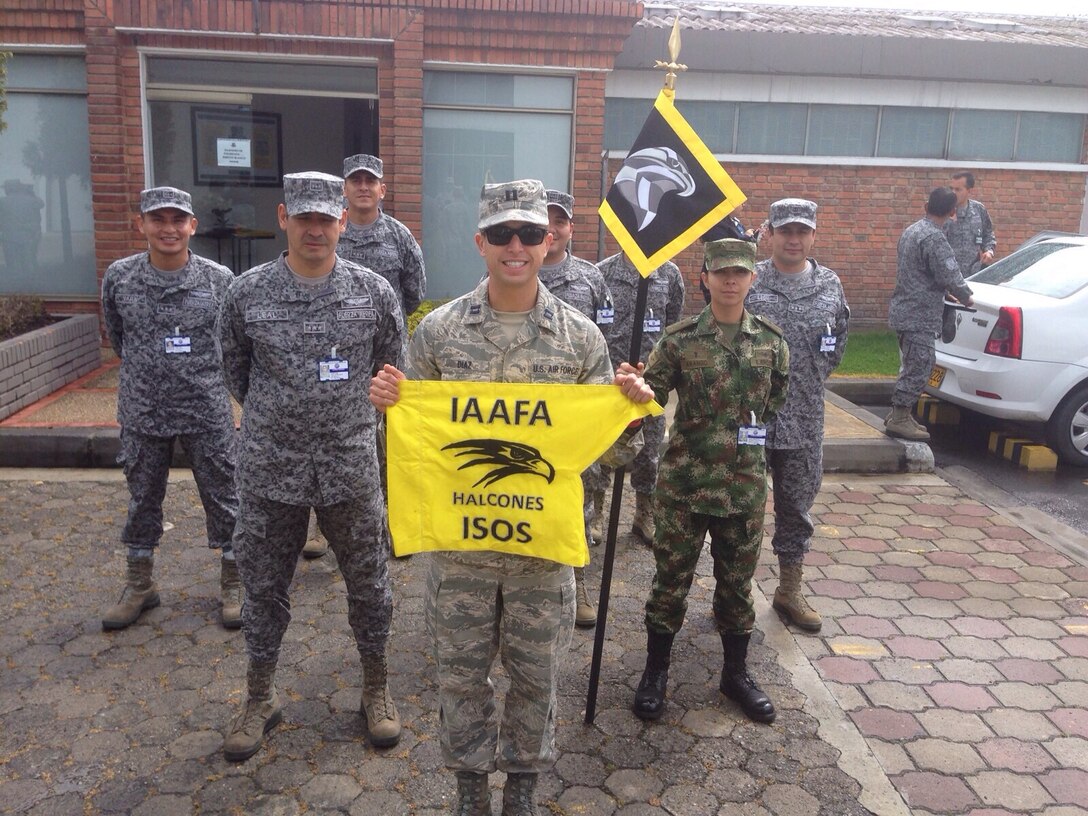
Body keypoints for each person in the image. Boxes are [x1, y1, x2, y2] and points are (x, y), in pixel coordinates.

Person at [369, 179, 653, 816]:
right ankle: (471, 795)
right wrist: (392, 406)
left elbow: (607, 458)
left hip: (541, 558)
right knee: (460, 682)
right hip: (461, 556)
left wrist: (625, 415)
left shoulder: (580, 339)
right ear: (481, 242)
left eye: (529, 233)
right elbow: (421, 440)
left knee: (536, 682)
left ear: (548, 240)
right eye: (502, 234)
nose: (516, 245)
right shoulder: (439, 334)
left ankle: (521, 793)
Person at [218, 171, 405, 762]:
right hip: (271, 467)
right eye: (305, 219)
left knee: (369, 583)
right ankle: (259, 695)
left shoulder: (374, 292)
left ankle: (375, 688)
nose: (316, 229)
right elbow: (234, 370)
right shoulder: (246, 293)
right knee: (264, 586)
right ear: (284, 219)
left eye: (327, 219)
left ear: (343, 222)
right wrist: (283, 417)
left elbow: (390, 371)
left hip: (351, 464)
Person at [632, 238, 789, 725]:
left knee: (737, 586)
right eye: (721, 272)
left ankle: (736, 674)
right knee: (670, 582)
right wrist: (632, 394)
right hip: (684, 485)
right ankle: (656, 671)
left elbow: (775, 401)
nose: (729, 281)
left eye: (739, 273)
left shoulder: (770, 341)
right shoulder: (678, 340)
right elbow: (648, 400)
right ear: (704, 277)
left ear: (752, 279)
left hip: (742, 488)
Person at [99, 186, 240, 631]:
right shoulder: (119, 277)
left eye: (178, 220)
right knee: (142, 497)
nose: (168, 229)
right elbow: (118, 337)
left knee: (225, 495)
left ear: (192, 226)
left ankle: (234, 582)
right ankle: (140, 583)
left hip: (205, 406)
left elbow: (235, 344)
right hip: (144, 408)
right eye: (157, 219)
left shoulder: (219, 280)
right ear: (140, 224)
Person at [301, 153, 428, 559]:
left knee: (391, 441)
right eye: (354, 180)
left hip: (382, 355)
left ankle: (393, 521)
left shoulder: (398, 236)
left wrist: (380, 326)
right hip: (329, 355)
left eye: (369, 181)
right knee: (327, 437)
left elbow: (415, 291)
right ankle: (322, 527)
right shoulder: (327, 231)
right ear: (344, 188)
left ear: (382, 189)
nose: (362, 187)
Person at [745, 199, 849, 634]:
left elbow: (837, 342)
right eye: (785, 230)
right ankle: (732, 594)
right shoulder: (749, 281)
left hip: (804, 417)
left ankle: (789, 590)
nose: (793, 238)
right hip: (751, 416)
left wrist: (809, 380)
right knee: (742, 509)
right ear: (769, 232)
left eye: (801, 231)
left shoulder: (829, 284)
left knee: (796, 507)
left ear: (813, 235)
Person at [541, 188, 614, 628]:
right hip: (528, 416)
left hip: (576, 415)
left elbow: (604, 340)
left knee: (580, 501)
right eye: (543, 220)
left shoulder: (591, 279)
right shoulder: (511, 271)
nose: (551, 228)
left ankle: (579, 579)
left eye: (560, 220)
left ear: (571, 228)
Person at [594, 250, 685, 545]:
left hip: (649, 381)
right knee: (603, 448)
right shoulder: (602, 274)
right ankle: (595, 513)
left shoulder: (669, 275)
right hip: (609, 378)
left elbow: (671, 327)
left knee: (649, 452)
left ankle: (644, 513)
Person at [886, 187, 974, 441]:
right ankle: (900, 417)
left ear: (926, 206)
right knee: (920, 365)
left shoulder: (911, 231)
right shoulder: (935, 238)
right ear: (952, 212)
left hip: (905, 310)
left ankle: (898, 413)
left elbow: (920, 272)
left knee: (912, 363)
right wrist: (966, 296)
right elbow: (949, 273)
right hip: (919, 315)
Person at [945, 171, 996, 276]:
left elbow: (988, 235)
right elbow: (933, 238)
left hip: (974, 273)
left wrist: (989, 251)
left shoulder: (979, 209)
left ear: (969, 191)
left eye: (958, 189)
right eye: (951, 189)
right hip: (948, 274)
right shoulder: (943, 210)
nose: (953, 193)